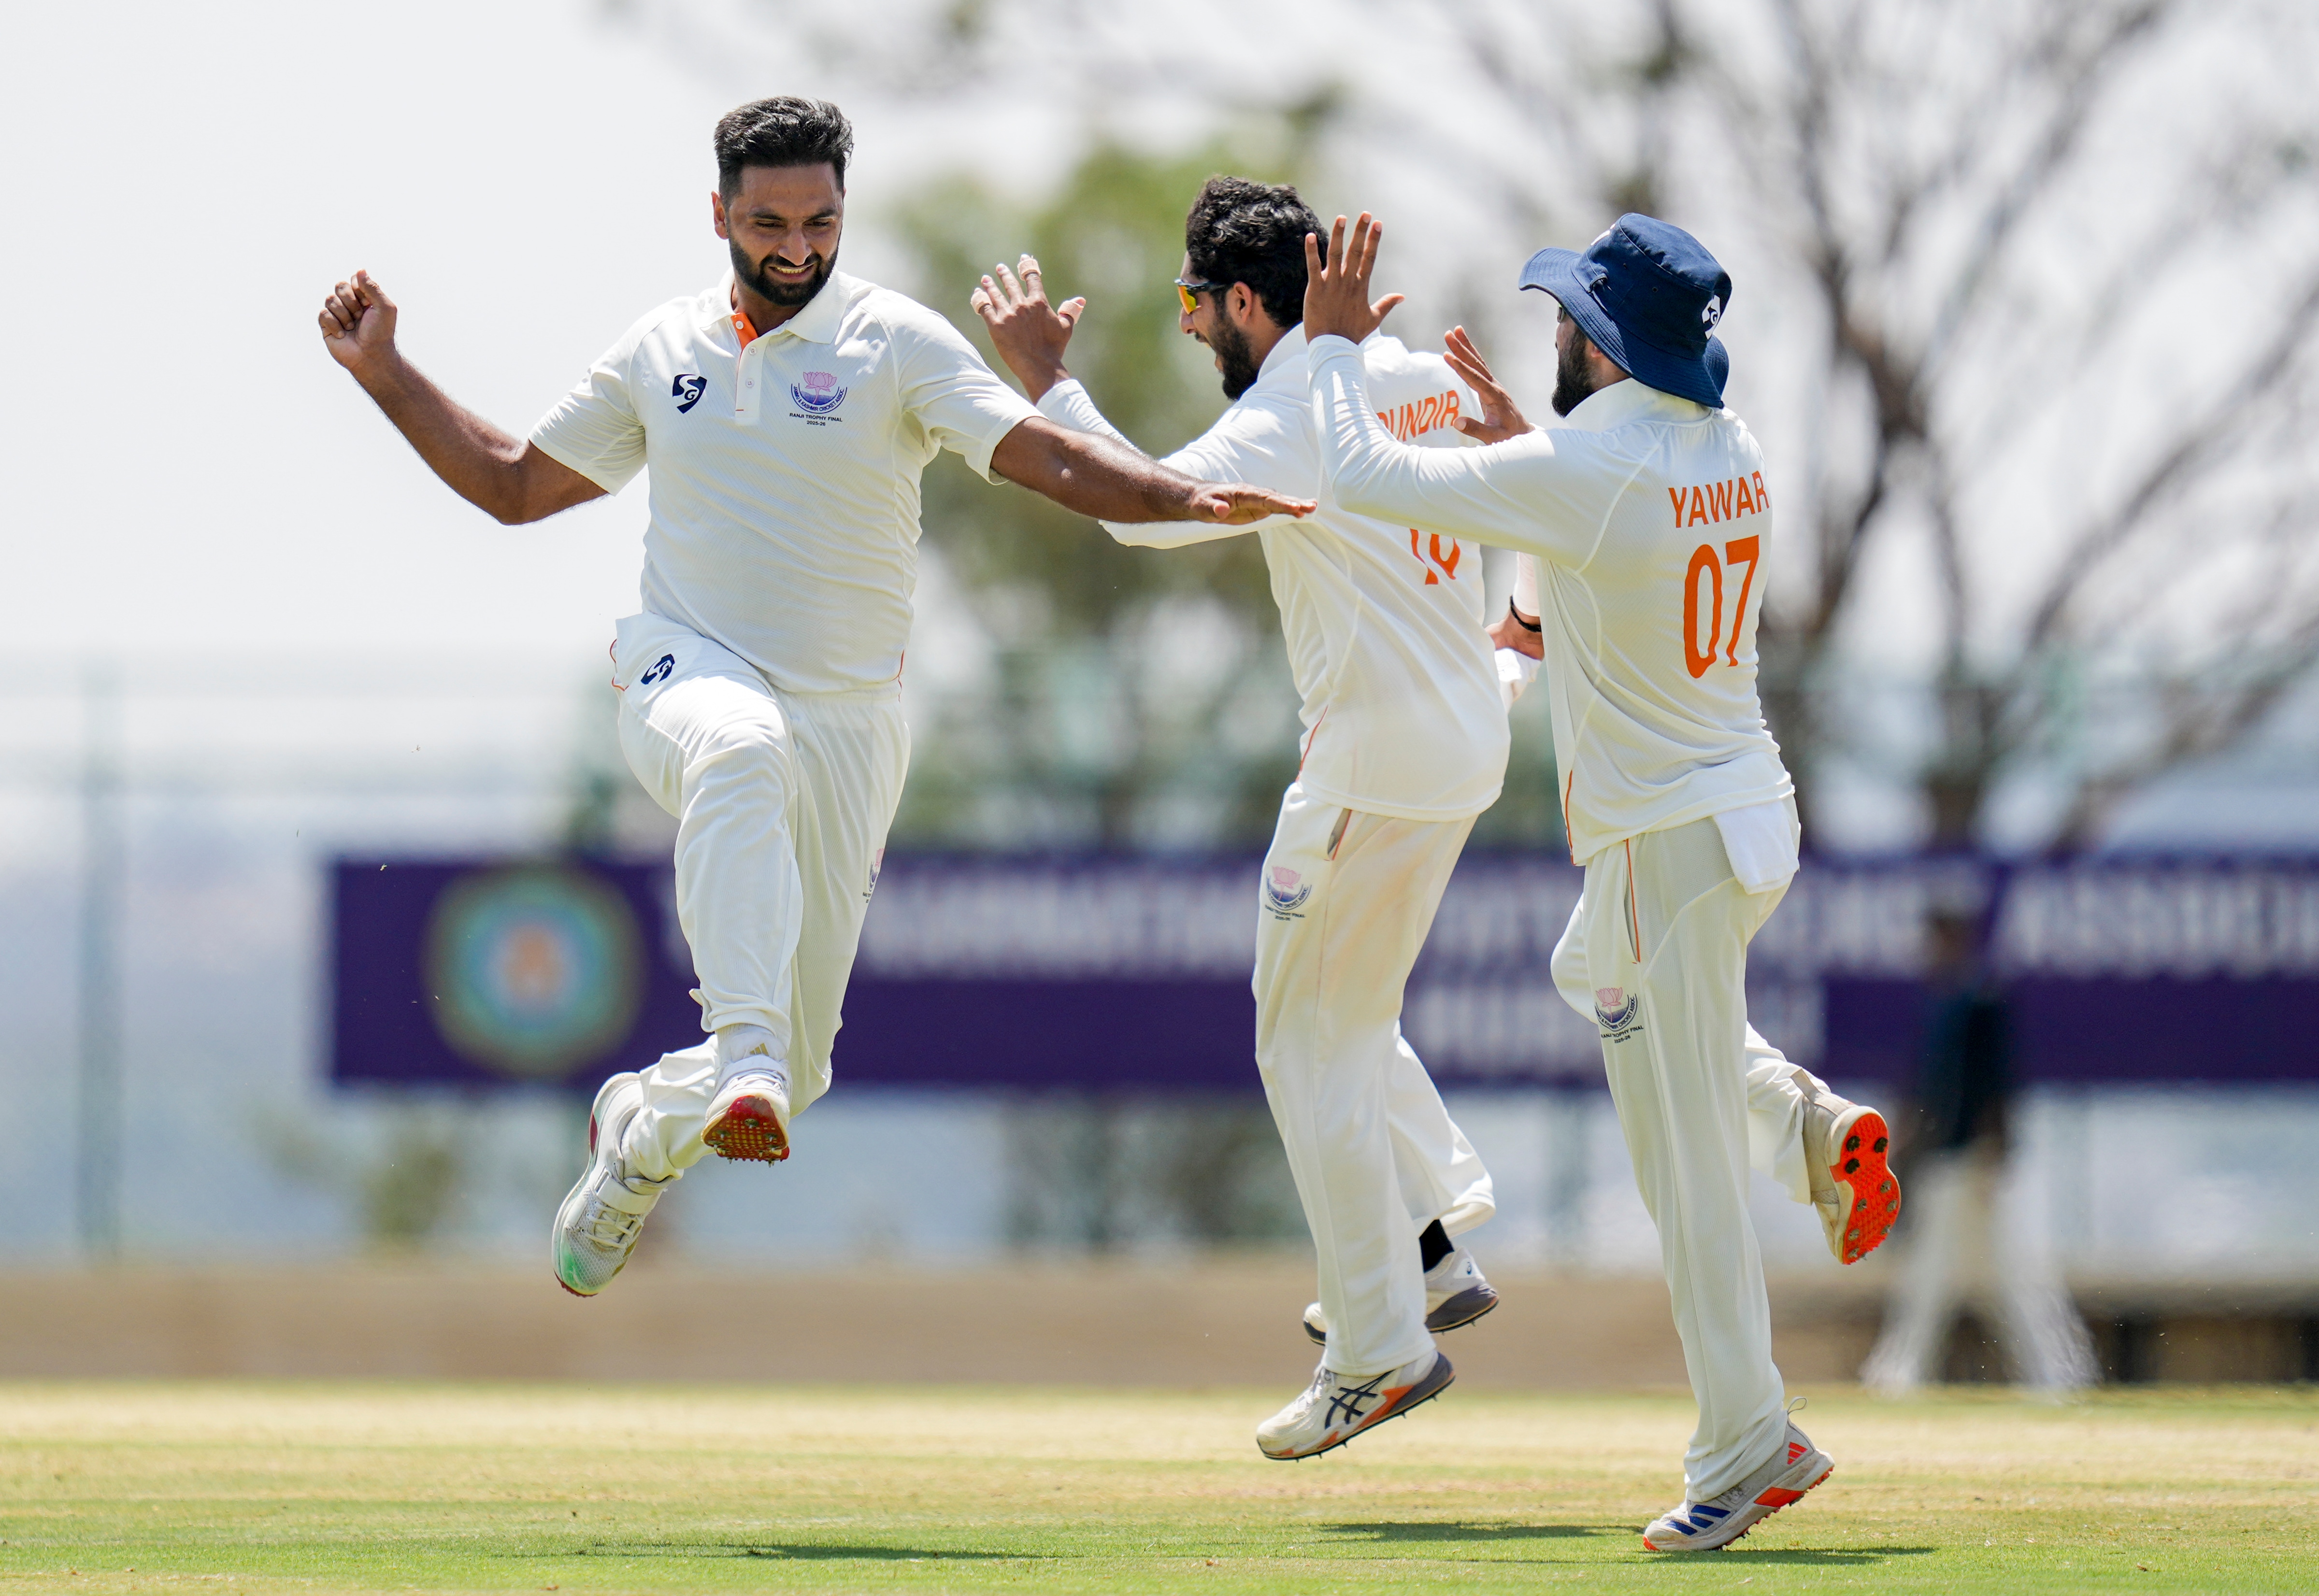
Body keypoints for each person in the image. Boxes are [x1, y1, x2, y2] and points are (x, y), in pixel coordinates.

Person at [316, 98, 1312, 1298]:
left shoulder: (896, 343)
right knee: (742, 754)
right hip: (684, 668)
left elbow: (1047, 458)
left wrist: (1172, 495)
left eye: (820, 222)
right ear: (719, 215)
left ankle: (640, 1135)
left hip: (851, 718)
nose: (797, 248)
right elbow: (514, 485)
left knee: (804, 1072)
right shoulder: (662, 349)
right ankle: (739, 1050)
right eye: (769, 223)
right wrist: (385, 372)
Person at [1300, 212, 1901, 1551]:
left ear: (1603, 341)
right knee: (1587, 975)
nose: (1556, 331)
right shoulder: (1726, 446)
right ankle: (1801, 1124)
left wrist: (1330, 350)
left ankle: (1749, 1446)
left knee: (1683, 1178)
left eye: (1569, 316)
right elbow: (1601, 533)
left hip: (1660, 847)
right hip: (1745, 819)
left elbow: (1360, 474)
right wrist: (1530, 470)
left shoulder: (1584, 468)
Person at [969, 177, 1514, 1461]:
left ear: (1249, 305)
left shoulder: (1293, 406)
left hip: (1372, 760)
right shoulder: (1399, 375)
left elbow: (1146, 506)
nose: (1190, 328)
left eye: (1193, 304)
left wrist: (1047, 382)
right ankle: (1428, 1243)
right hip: (1463, 744)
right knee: (1347, 1016)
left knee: (1304, 1042)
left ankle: (1379, 1346)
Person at [1861, 902, 2097, 1395]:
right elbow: (1926, 1085)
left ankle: (2058, 1373)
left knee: (2004, 1272)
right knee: (1940, 1271)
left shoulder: (1982, 998)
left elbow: (1997, 1081)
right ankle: (1902, 1370)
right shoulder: (1943, 1000)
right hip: (1942, 1154)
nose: (1932, 947)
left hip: (1974, 1155)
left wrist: (1995, 1146)